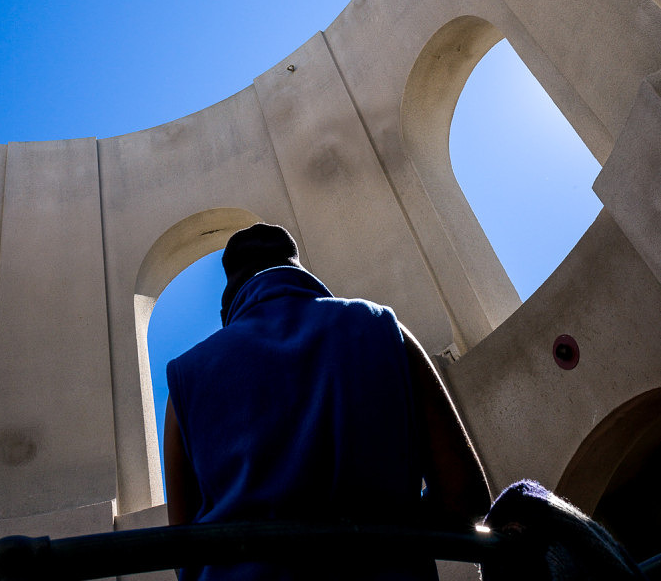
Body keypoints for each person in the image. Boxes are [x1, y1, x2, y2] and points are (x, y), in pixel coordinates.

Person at [163, 223, 490, 581]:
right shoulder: (383, 327)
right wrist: (386, 525)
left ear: (229, 308)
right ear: (302, 275)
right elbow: (465, 497)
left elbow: (185, 552)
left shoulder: (187, 374)